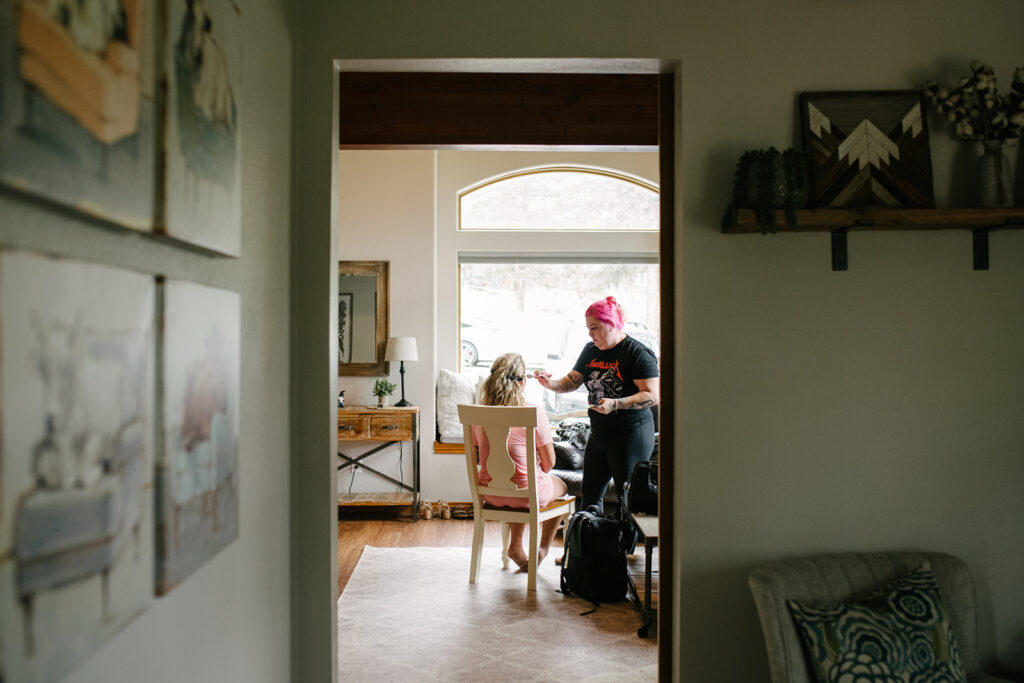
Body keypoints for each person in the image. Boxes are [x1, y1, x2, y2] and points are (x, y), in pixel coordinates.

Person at [535, 296, 659, 514]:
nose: (590, 334)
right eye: (588, 329)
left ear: (611, 324)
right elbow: (573, 380)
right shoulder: (591, 349)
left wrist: (616, 403)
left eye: (594, 328)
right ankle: (592, 545)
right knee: (590, 493)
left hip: (631, 433)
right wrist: (550, 384)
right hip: (600, 433)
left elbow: (652, 395)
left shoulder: (637, 353)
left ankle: (623, 549)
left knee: (627, 498)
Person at [473, 352, 569, 571]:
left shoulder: (479, 413)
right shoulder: (532, 410)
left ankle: (515, 547)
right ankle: (543, 549)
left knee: (520, 482)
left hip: (489, 492)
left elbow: (479, 458)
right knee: (560, 487)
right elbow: (549, 464)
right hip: (526, 493)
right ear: (522, 381)